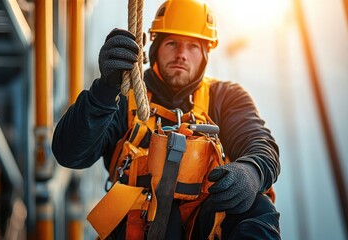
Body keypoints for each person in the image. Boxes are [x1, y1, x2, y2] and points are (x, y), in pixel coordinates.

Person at [52, 0, 281, 239]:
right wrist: (103, 92)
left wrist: (251, 171)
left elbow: (260, 144)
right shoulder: (124, 98)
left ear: (205, 54)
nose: (181, 54)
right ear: (154, 47)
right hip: (135, 227)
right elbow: (69, 153)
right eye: (172, 43)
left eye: (193, 46)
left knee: (255, 206)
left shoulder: (226, 97)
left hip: (204, 225)